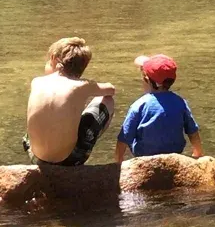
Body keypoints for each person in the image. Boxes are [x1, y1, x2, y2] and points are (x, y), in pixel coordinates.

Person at [25, 37, 115, 166]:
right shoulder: (81, 86)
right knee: (107, 100)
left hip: (34, 156)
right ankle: (86, 145)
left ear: (53, 58)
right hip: (68, 159)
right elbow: (111, 90)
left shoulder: (37, 81)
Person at [115, 54, 203, 163]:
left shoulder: (139, 105)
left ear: (146, 80)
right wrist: (197, 154)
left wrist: (118, 162)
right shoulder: (181, 102)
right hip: (174, 154)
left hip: (145, 156)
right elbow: (193, 132)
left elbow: (123, 139)